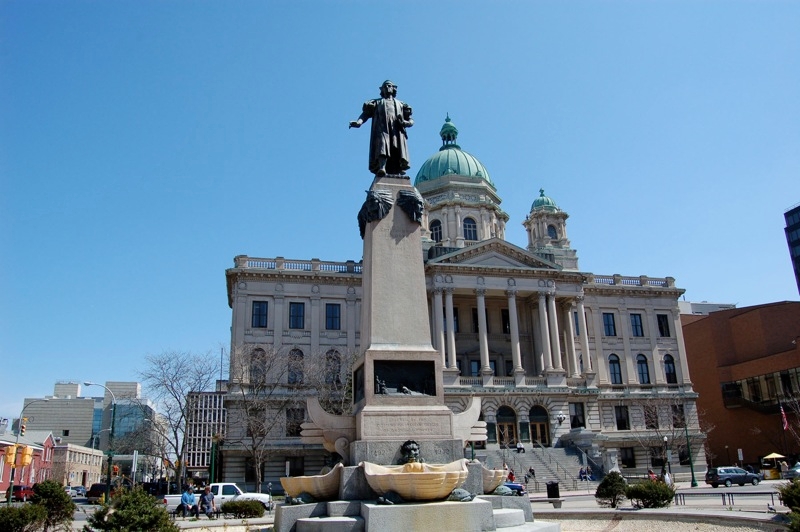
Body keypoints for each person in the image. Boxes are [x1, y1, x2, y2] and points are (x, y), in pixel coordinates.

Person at [350, 80, 413, 177]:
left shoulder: (401, 104)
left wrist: (406, 123)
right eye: (385, 86)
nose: (387, 87)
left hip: (396, 130)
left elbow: (410, 120)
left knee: (396, 148)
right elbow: (365, 114)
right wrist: (358, 122)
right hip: (382, 129)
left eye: (389, 86)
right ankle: (382, 168)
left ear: (394, 89)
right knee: (383, 145)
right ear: (382, 90)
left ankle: (399, 169)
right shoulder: (377, 102)